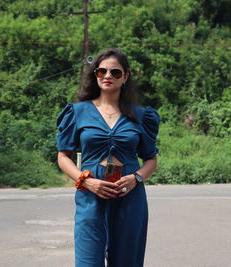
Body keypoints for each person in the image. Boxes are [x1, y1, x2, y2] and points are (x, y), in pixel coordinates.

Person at [56, 48, 160, 267]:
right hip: (90, 199)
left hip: (130, 199)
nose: (107, 76)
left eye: (115, 72)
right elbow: (63, 156)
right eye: (101, 71)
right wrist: (86, 181)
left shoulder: (141, 116)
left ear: (125, 77)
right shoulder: (77, 112)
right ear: (95, 75)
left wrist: (136, 178)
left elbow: (151, 159)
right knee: (88, 262)